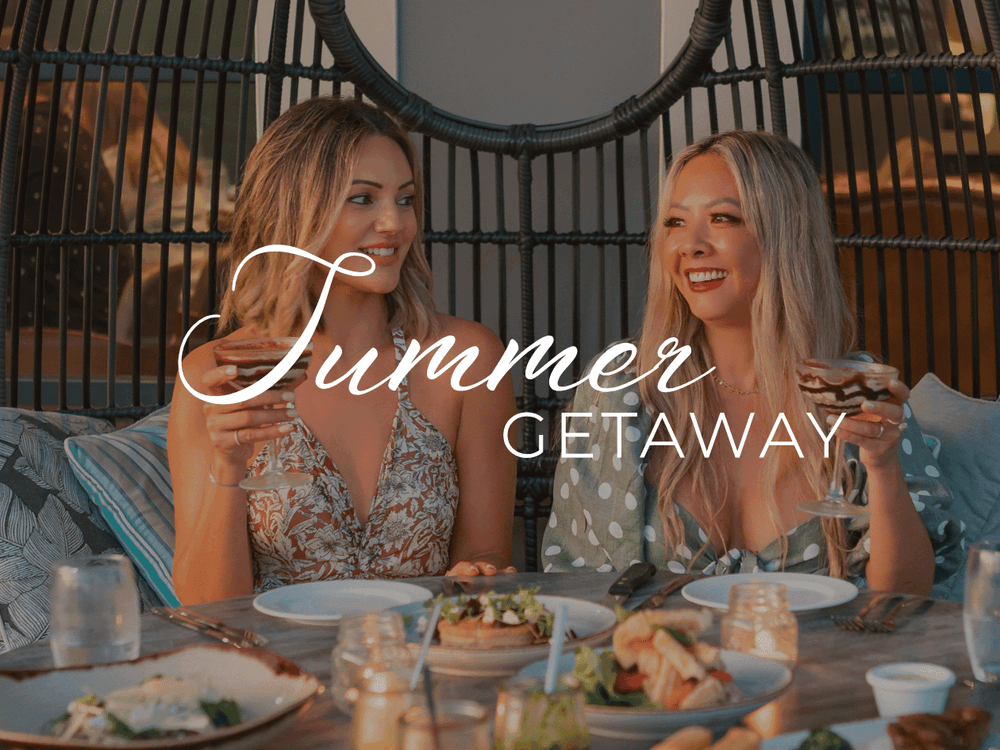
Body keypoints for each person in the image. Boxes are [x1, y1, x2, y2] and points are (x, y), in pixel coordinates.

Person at [542, 130, 962, 595]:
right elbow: (575, 586)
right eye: (675, 223)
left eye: (723, 218)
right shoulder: (619, 391)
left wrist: (882, 465)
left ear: (786, 233)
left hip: (820, 666)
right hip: (660, 664)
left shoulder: (852, 390)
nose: (691, 245)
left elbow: (905, 597)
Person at [169, 97, 517, 604]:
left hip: (422, 667)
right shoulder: (215, 376)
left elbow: (487, 559)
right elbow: (208, 610)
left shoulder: (468, 359)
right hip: (281, 672)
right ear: (295, 210)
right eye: (362, 199)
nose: (395, 224)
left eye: (404, 199)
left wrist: (481, 577)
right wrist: (229, 469)